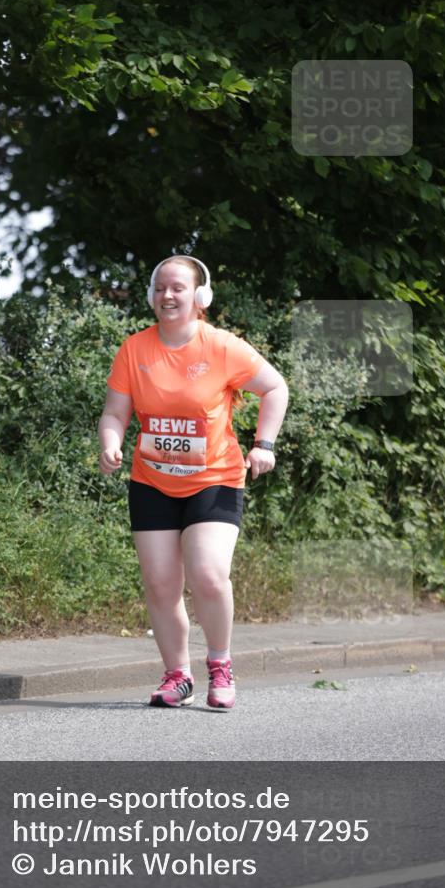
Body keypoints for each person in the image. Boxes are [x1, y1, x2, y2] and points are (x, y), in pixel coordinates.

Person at [98, 255, 289, 710]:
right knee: (161, 584)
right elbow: (114, 412)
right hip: (152, 481)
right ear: (151, 295)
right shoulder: (135, 350)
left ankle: (220, 666)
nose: (168, 295)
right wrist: (111, 442)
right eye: (160, 287)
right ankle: (176, 676)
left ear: (199, 297)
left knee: (207, 574)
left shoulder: (221, 346)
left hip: (215, 479)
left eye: (178, 288)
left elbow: (275, 387)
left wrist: (264, 443)